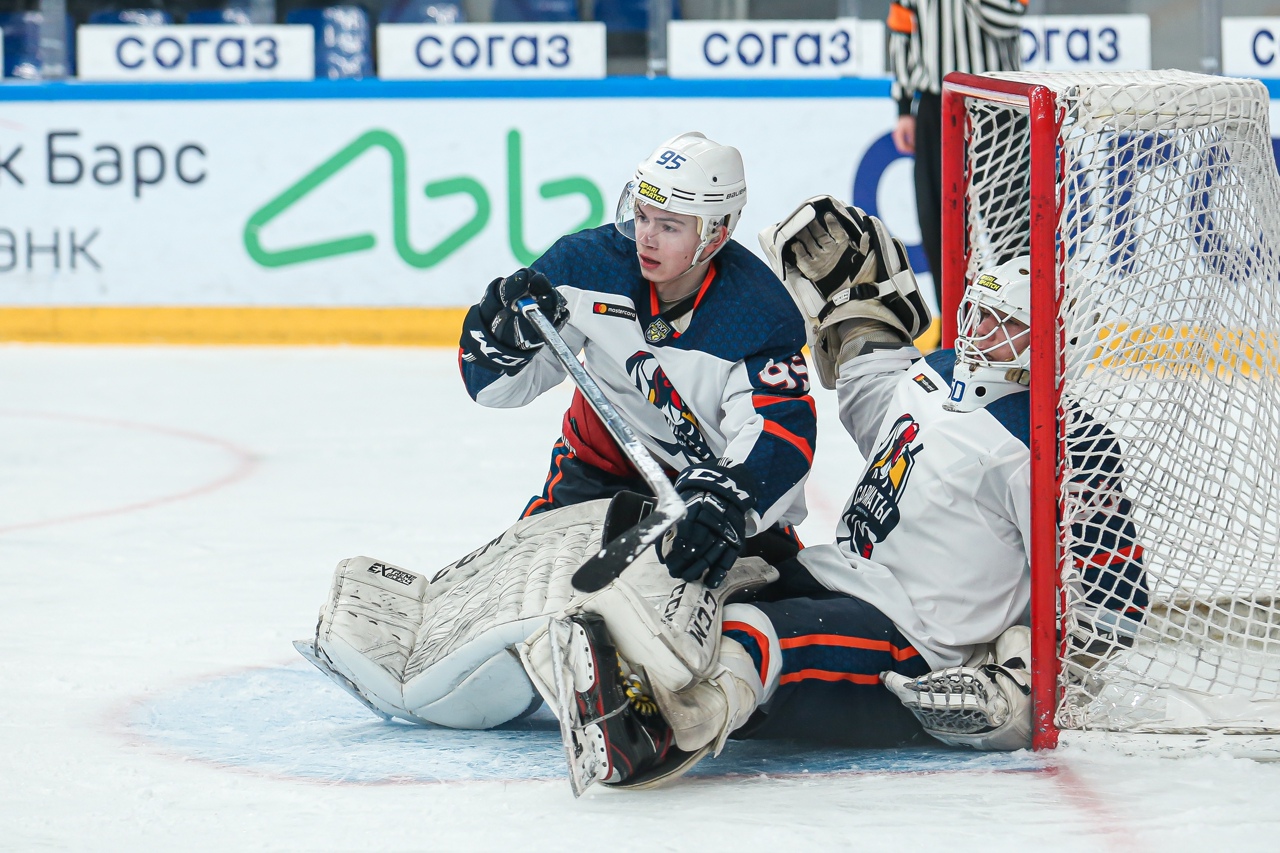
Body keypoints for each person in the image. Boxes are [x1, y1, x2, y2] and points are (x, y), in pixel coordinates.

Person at [518, 197, 1151, 791]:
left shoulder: (1065, 444)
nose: (982, 330)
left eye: (1006, 323)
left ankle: (663, 734)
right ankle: (614, 676)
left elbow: (1114, 601)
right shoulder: (941, 372)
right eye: (980, 311)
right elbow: (877, 405)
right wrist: (859, 315)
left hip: (915, 638)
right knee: (695, 587)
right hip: (840, 574)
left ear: (1055, 339)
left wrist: (1023, 675)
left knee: (751, 635)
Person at [457, 130, 816, 589]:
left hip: (706, 494)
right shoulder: (587, 265)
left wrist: (725, 500)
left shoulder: (758, 314)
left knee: (777, 604)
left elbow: (780, 432)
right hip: (597, 471)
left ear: (715, 235)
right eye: (642, 215)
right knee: (529, 594)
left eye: (669, 226)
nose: (645, 236)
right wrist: (501, 345)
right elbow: (495, 392)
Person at [887, 0, 1027, 300]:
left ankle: (1020, 314)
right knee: (938, 223)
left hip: (998, 104)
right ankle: (954, 316)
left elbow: (1008, 17)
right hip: (935, 104)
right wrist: (904, 106)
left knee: (1009, 221)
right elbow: (902, 28)